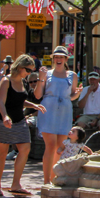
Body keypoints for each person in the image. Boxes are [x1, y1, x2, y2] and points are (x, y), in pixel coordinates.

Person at [0, 54, 46, 196]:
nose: (29, 74)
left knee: (25, 148)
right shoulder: (6, 80)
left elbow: (19, 100)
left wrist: (34, 105)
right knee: (2, 153)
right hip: (1, 118)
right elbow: (1, 101)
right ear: (20, 67)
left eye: (31, 71)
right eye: (28, 70)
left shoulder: (24, 82)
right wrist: (5, 117)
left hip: (18, 119)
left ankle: (16, 184)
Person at [36, 45, 82, 185]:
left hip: (64, 111)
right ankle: (45, 181)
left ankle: (54, 177)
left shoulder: (72, 75)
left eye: (61, 57)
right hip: (48, 109)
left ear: (66, 59)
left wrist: (78, 93)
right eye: (56, 57)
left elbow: (72, 96)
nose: (58, 59)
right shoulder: (47, 74)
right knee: (50, 145)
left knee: (60, 147)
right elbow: (38, 95)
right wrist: (41, 79)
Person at [76, 72, 100, 148]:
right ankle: (78, 147)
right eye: (91, 80)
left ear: (98, 80)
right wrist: (88, 93)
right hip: (87, 115)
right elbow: (80, 106)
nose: (92, 82)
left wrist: (97, 119)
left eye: (94, 80)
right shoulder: (85, 90)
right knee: (79, 125)